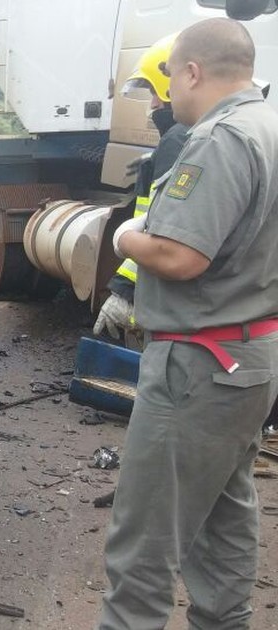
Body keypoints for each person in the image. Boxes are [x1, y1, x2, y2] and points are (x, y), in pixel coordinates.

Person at [98, 18, 278, 629]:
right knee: (224, 523)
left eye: (170, 77)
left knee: (143, 552)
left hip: (199, 367)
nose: (168, 93)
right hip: (248, 359)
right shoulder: (270, 125)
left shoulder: (222, 138)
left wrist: (124, 235)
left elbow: (181, 254)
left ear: (194, 71)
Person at [93, 33, 191, 341]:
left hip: (172, 307)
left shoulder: (178, 139)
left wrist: (125, 292)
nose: (151, 104)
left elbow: (162, 233)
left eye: (154, 92)